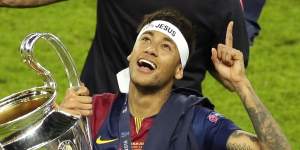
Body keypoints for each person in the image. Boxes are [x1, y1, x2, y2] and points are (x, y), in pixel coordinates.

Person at [59, 9, 290, 150]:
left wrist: (242, 84)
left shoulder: (197, 121)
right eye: (146, 40)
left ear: (179, 70)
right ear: (131, 55)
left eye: (166, 47)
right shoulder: (94, 109)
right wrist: (59, 123)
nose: (151, 49)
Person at [0, 0, 250, 96]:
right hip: (96, 116)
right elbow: (230, 75)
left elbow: (230, 73)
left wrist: (233, 76)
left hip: (172, 129)